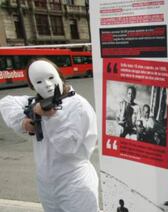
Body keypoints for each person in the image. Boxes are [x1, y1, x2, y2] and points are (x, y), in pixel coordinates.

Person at [0, 58, 99, 212]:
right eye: (38, 82)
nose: (46, 84)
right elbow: (6, 102)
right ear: (32, 86)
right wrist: (24, 121)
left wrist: (49, 116)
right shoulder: (38, 102)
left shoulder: (78, 105)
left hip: (74, 183)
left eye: (51, 77)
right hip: (46, 184)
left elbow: (68, 146)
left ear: (60, 76)